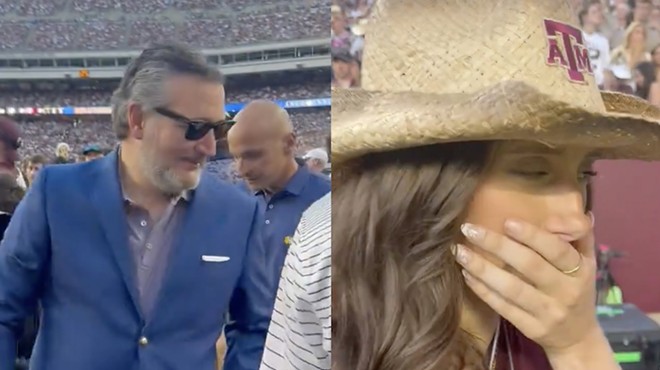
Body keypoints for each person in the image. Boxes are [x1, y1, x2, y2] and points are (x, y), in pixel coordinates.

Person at [332, 1, 660, 369]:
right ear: (422, 186)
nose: (578, 221)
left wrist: (578, 344)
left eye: (585, 173)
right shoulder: (326, 324)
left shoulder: (544, 330)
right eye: (535, 172)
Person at [0, 43, 272, 370]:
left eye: (217, 129)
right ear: (138, 119)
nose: (210, 148)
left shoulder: (239, 213)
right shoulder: (55, 193)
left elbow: (256, 327)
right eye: (195, 128)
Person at [259, 192, 331, 370]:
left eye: (252, 160)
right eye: (237, 161)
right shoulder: (317, 216)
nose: (241, 170)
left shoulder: (318, 210)